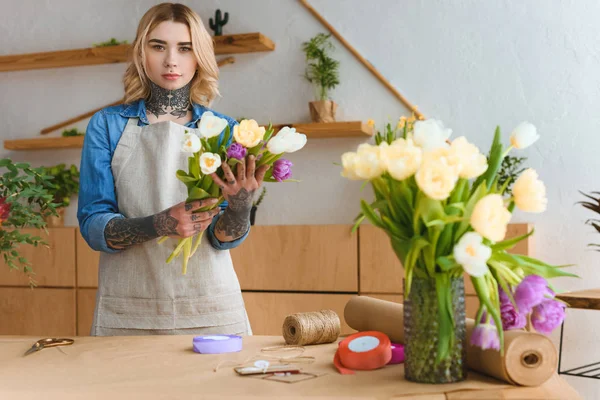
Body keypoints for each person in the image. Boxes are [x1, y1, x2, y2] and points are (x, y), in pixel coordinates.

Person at [77, 3, 268, 336]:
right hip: (129, 310)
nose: (171, 60)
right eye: (158, 46)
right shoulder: (106, 126)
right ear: (141, 53)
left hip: (209, 309)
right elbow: (93, 225)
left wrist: (240, 207)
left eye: (185, 48)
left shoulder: (224, 129)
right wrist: (161, 223)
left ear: (200, 55)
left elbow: (222, 238)